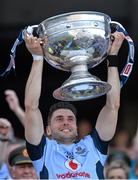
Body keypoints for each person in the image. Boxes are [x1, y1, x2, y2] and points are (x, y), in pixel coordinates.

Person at [24, 31, 125, 179]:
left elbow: (113, 106)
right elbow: (31, 107)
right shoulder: (43, 150)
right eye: (59, 119)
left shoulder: (93, 146)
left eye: (70, 119)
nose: (66, 122)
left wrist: (113, 55)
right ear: (48, 130)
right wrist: (37, 57)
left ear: (77, 129)